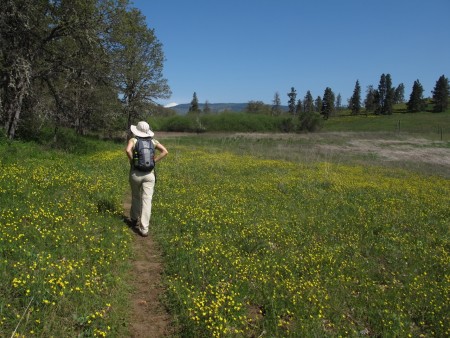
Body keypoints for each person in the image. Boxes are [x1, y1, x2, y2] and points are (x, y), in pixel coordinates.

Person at [125, 121, 168, 237]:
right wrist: (154, 161)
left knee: (135, 196)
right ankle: (144, 229)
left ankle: (134, 219)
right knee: (147, 200)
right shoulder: (153, 142)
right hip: (150, 174)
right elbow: (165, 151)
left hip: (136, 174)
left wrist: (132, 161)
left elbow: (128, 150)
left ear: (137, 131)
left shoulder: (133, 140)